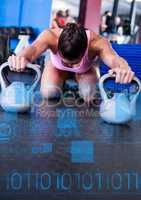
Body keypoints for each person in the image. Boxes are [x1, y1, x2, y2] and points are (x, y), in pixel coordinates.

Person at [8, 23, 134, 103]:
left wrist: (123, 68)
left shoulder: (97, 43)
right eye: (66, 62)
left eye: (74, 63)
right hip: (56, 68)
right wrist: (20, 58)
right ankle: (63, 83)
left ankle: (77, 82)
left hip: (85, 70)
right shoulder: (50, 36)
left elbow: (114, 59)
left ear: (85, 49)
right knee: (48, 93)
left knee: (90, 97)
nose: (70, 66)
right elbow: (33, 49)